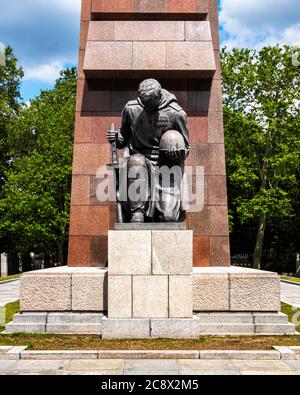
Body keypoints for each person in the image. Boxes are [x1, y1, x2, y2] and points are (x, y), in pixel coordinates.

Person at [107, 79, 190, 223]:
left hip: (166, 166)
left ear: (159, 96)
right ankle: (137, 212)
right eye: (144, 103)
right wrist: (116, 138)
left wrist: (177, 153)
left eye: (150, 103)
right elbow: (122, 140)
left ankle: (164, 210)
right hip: (139, 161)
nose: (147, 106)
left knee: (168, 217)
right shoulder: (131, 109)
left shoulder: (176, 113)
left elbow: (186, 147)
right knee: (136, 161)